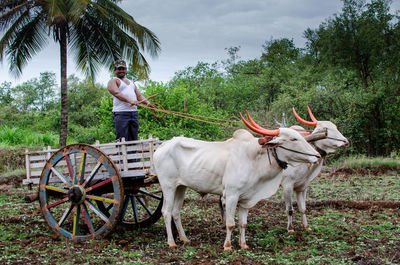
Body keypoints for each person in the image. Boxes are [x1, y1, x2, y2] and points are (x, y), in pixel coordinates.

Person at [107, 59, 153, 142]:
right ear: (115, 70)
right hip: (121, 113)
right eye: (119, 69)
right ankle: (121, 154)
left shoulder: (131, 82)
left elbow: (139, 96)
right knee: (122, 137)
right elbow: (117, 93)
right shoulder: (113, 81)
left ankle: (133, 154)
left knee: (133, 137)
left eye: (123, 69)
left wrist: (147, 102)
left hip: (133, 113)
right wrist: (130, 101)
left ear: (126, 70)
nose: (121, 71)